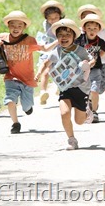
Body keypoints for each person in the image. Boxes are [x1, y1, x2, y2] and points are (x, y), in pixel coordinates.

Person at [0, 11, 56, 134]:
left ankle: (28, 108)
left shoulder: (29, 40)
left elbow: (45, 48)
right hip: (11, 77)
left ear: (24, 27)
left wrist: (58, 41)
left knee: (27, 106)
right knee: (10, 100)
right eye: (13, 25)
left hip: (27, 79)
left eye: (20, 26)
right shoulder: (4, 37)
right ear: (8, 26)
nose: (16, 28)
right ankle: (15, 123)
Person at [35, 19, 94, 150]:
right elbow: (46, 62)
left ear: (74, 37)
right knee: (64, 113)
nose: (64, 38)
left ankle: (87, 109)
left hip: (81, 89)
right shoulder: (56, 52)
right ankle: (71, 140)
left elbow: (92, 60)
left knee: (79, 121)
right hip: (65, 88)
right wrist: (39, 74)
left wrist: (87, 65)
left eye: (68, 35)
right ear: (57, 37)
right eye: (60, 35)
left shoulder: (81, 51)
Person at [77, 4, 105, 96]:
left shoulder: (101, 32)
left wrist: (97, 57)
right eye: (84, 16)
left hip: (101, 62)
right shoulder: (79, 33)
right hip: (86, 64)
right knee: (90, 87)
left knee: (100, 88)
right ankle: (90, 104)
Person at [37, 0, 65, 105]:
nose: (53, 20)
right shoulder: (45, 24)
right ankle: (42, 92)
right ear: (46, 18)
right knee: (46, 71)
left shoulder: (64, 23)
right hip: (50, 48)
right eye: (50, 18)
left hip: (61, 49)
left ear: (60, 16)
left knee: (60, 70)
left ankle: (60, 87)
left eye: (55, 18)